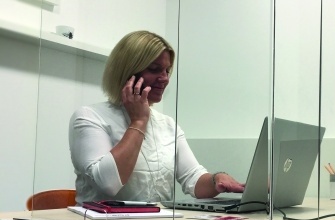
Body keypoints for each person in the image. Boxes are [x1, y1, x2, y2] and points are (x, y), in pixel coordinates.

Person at [69, 30, 245, 204]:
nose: (165, 79)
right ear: (127, 72)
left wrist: (217, 179)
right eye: (155, 69)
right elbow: (108, 183)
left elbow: (193, 178)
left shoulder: (167, 124)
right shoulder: (89, 117)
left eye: (167, 71)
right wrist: (139, 121)